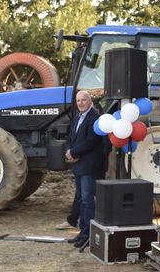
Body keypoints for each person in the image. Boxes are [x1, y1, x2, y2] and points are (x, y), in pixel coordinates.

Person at [65, 90, 104, 247]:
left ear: (90, 101)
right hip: (78, 165)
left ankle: (88, 234)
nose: (80, 103)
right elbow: (71, 138)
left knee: (88, 200)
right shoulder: (77, 117)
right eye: (78, 100)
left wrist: (73, 152)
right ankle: (82, 232)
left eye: (83, 100)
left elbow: (91, 141)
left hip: (89, 166)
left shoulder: (95, 118)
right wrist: (69, 151)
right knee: (81, 199)